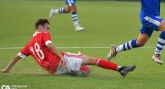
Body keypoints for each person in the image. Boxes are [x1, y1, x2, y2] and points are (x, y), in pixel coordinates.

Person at [1, 19, 136, 77]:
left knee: (86, 70)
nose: (48, 29)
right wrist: (61, 57)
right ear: (41, 27)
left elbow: (16, 57)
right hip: (60, 61)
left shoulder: (29, 44)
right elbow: (49, 45)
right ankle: (121, 69)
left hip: (53, 71)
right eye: (48, 27)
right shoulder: (43, 34)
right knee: (94, 60)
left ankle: (77, 70)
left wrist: (7, 69)